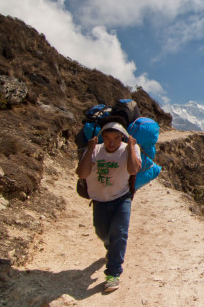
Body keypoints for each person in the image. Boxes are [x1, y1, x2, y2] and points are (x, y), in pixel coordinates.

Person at [75, 117, 142, 292]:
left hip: (122, 198)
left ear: (123, 137)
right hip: (99, 200)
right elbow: (81, 174)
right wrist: (89, 150)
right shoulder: (94, 150)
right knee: (102, 232)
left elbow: (134, 170)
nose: (111, 143)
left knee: (119, 233)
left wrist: (131, 147)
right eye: (107, 138)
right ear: (102, 137)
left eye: (116, 138)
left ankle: (113, 273)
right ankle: (110, 247)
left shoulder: (131, 149)